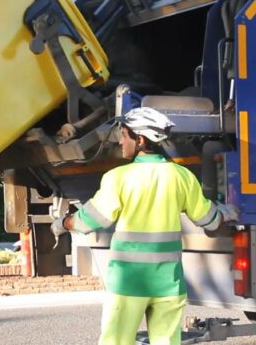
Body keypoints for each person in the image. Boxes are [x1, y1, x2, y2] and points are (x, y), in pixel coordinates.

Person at [51, 106, 239, 345]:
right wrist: (226, 212)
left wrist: (63, 223)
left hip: (128, 283)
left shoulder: (118, 178)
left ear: (140, 139)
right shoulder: (182, 177)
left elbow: (89, 221)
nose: (120, 142)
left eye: (124, 135)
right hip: (169, 285)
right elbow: (208, 219)